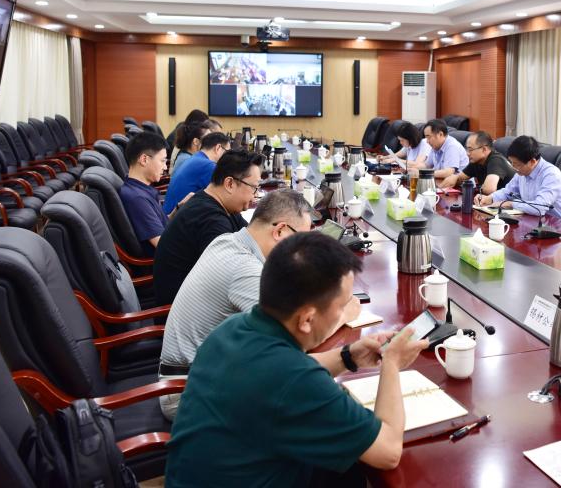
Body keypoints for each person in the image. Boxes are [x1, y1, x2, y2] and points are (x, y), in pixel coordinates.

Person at [166, 233, 429, 487]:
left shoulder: (232, 328)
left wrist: (348, 356)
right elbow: (388, 451)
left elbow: (284, 375)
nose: (346, 312)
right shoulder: (294, 381)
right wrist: (392, 363)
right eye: (342, 306)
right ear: (306, 319)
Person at [157, 189, 362, 419]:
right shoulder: (245, 270)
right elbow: (295, 340)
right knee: (309, 401)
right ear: (280, 231)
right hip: (187, 393)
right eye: (302, 240)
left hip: (202, 373)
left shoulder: (229, 241)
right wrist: (343, 314)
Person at [152, 150, 262, 306]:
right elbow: (233, 277)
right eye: (254, 188)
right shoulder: (210, 220)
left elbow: (253, 236)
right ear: (229, 184)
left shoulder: (217, 203)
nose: (255, 196)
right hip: (184, 311)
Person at [119, 132, 188, 257]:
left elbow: (161, 223)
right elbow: (164, 245)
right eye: (162, 161)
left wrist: (179, 208)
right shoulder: (138, 199)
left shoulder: (139, 189)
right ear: (144, 159)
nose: (165, 167)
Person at [477, 135, 561, 224]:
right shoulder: (521, 173)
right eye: (512, 163)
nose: (514, 168)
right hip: (534, 222)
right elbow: (508, 192)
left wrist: (510, 204)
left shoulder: (551, 174)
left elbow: (539, 207)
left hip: (560, 226)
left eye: (517, 164)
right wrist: (490, 198)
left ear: (532, 161)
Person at [162, 131, 232, 215]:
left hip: (169, 215)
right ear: (218, 148)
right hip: (176, 218)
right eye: (227, 152)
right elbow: (225, 199)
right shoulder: (208, 166)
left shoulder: (196, 158)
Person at [440, 130, 513, 195]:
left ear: (484, 149)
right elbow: (460, 178)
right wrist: (455, 177)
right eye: (467, 149)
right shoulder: (476, 161)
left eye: (470, 150)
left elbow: (489, 189)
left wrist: (481, 188)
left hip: (511, 202)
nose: (467, 153)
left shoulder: (496, 160)